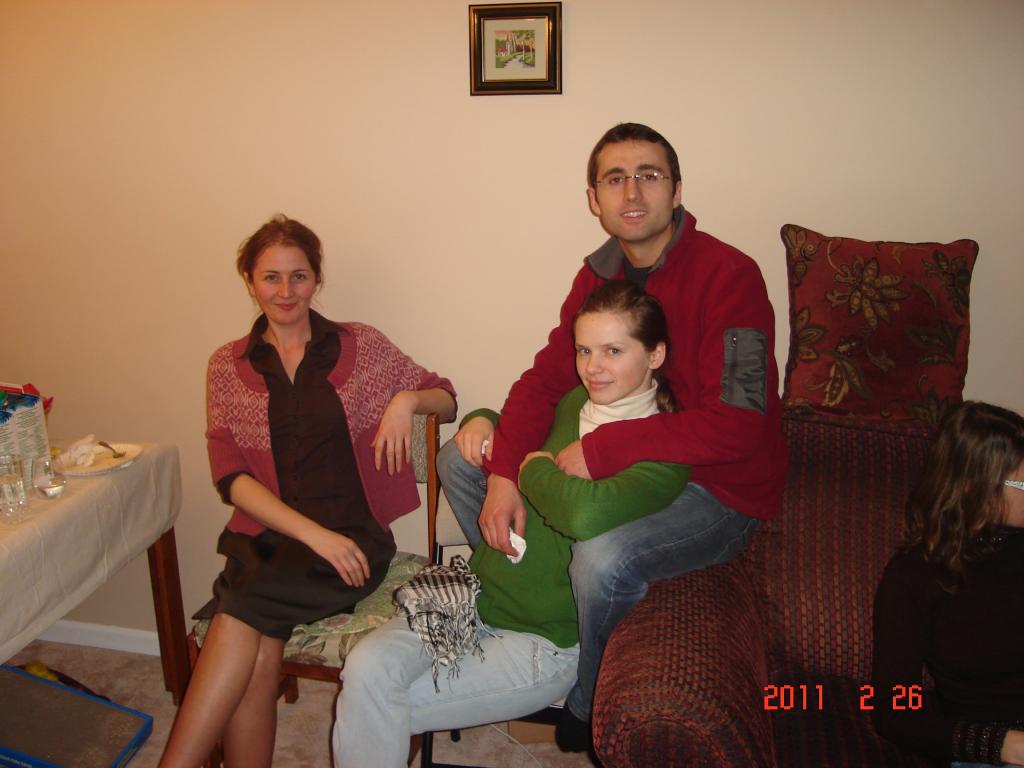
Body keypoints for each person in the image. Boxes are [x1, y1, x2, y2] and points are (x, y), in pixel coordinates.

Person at [437, 121, 788, 748]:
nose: (632, 191)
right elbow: (545, 379)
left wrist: (605, 451)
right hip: (627, 454)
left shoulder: (730, 275)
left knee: (603, 558)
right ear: (594, 198)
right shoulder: (596, 276)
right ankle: (527, 600)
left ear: (676, 189)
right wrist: (502, 476)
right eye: (614, 178)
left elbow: (741, 423)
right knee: (457, 463)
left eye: (649, 175)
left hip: (718, 489)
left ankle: (586, 696)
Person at [332, 281, 691, 768]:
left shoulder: (665, 449)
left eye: (613, 350)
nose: (593, 367)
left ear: (655, 355)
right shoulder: (573, 402)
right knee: (364, 668)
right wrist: (481, 422)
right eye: (584, 350)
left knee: (373, 704)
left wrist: (530, 466)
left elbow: (581, 514)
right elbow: (512, 426)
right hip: (473, 600)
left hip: (545, 642)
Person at [158, 215, 456, 768]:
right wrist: (314, 536)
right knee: (258, 656)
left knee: (237, 613)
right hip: (270, 538)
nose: (285, 291)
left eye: (298, 276)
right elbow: (232, 479)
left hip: (351, 541)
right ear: (250, 281)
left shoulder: (360, 345)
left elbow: (445, 396)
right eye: (270, 277)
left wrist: (406, 401)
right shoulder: (227, 365)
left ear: (317, 279)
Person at [872, 401, 1024, 767]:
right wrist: (999, 745)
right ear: (973, 487)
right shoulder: (915, 576)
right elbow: (894, 711)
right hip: (995, 750)